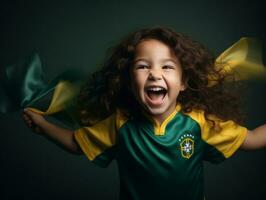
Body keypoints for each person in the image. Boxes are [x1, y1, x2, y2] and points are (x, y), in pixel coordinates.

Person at [22, 27, 266, 200]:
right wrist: (43, 126)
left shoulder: (197, 122)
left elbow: (253, 139)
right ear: (129, 82)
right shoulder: (121, 123)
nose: (155, 74)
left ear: (183, 83)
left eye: (167, 66)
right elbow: (77, 143)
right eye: (143, 66)